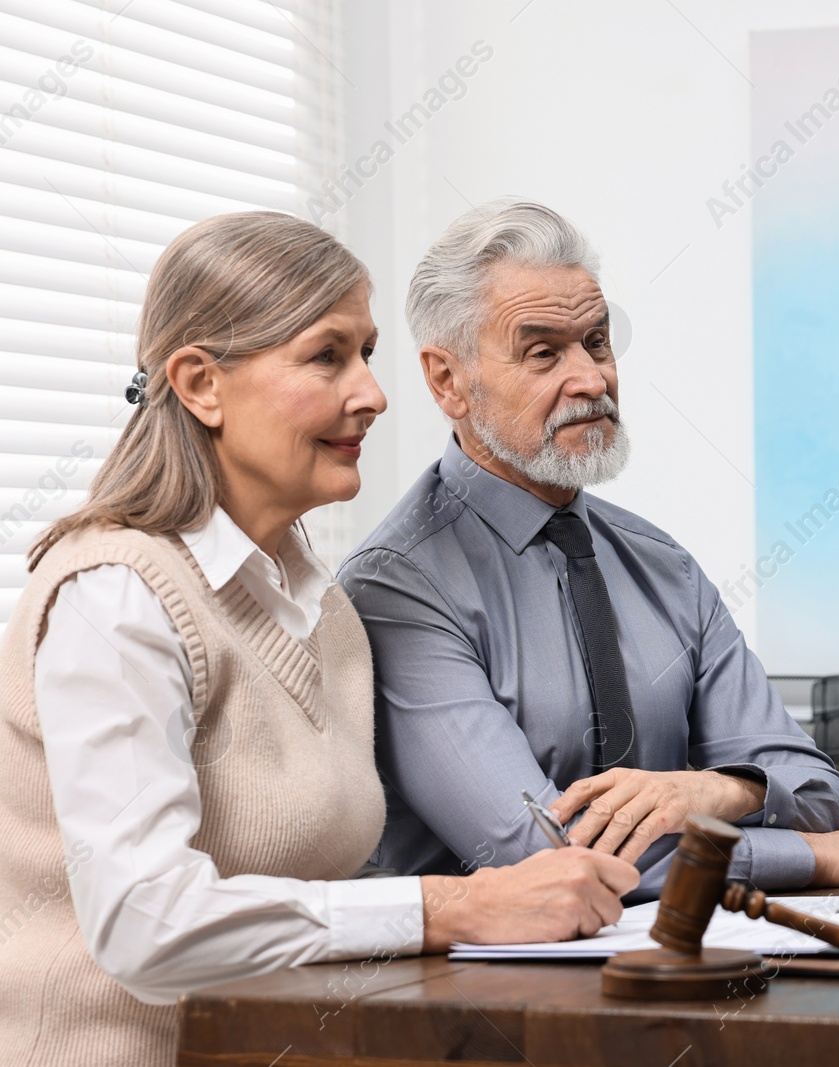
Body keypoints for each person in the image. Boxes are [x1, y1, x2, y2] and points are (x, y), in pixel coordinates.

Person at [0, 213, 640, 1066]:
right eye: (327, 355)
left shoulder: (321, 605)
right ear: (200, 384)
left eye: (367, 353)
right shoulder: (116, 599)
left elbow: (319, 898)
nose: (372, 393)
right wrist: (456, 905)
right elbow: (145, 928)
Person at [338, 199, 839, 895]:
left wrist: (724, 791)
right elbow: (540, 856)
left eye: (596, 342)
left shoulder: (662, 565)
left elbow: (826, 795)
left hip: (691, 976)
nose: (592, 380)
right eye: (543, 353)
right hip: (490, 998)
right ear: (448, 381)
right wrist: (811, 857)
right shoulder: (398, 588)